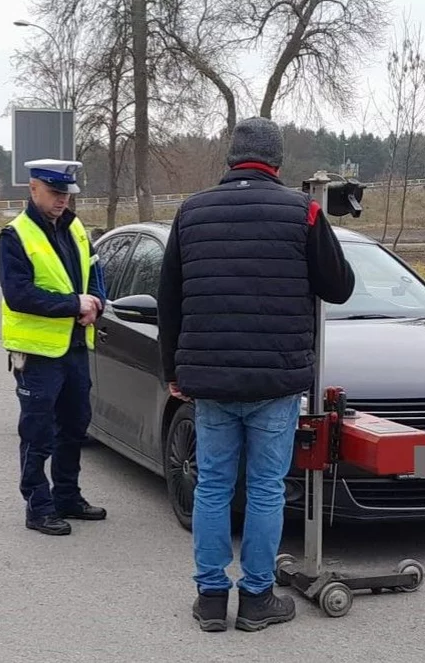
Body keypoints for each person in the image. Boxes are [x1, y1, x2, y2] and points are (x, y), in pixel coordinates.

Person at [156, 117, 356, 632]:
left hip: (210, 382)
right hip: (276, 381)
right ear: (277, 162)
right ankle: (257, 600)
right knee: (267, 488)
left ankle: (208, 600)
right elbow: (339, 287)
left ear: (231, 158)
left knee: (212, 486)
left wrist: (172, 370)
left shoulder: (191, 212)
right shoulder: (302, 210)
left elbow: (170, 300)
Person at [0, 158, 108, 536]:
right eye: (56, 193)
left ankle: (67, 496)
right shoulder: (15, 235)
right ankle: (38, 506)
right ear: (33, 189)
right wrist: (73, 305)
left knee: (75, 426)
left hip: (74, 346)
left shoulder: (75, 227)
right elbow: (18, 295)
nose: (63, 201)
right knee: (38, 432)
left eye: (67, 194)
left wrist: (97, 304)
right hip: (38, 353)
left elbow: (96, 274)